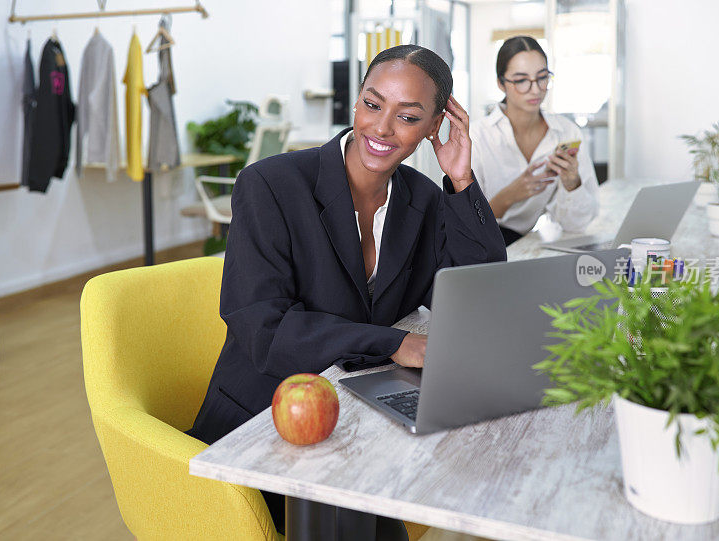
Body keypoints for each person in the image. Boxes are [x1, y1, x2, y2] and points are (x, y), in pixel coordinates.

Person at [186, 45, 506, 539]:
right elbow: (262, 330)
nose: (381, 128)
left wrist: (461, 179)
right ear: (356, 102)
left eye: (409, 117)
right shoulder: (270, 185)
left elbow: (481, 298)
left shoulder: (423, 199)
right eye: (373, 104)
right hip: (264, 422)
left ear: (435, 127)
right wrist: (393, 343)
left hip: (359, 418)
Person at [470, 35, 599, 246]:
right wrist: (509, 196)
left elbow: (576, 226)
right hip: (478, 246)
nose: (536, 89)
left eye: (542, 77)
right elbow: (462, 224)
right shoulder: (477, 136)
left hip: (525, 243)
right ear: (501, 84)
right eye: (521, 80)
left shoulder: (566, 133)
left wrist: (572, 184)